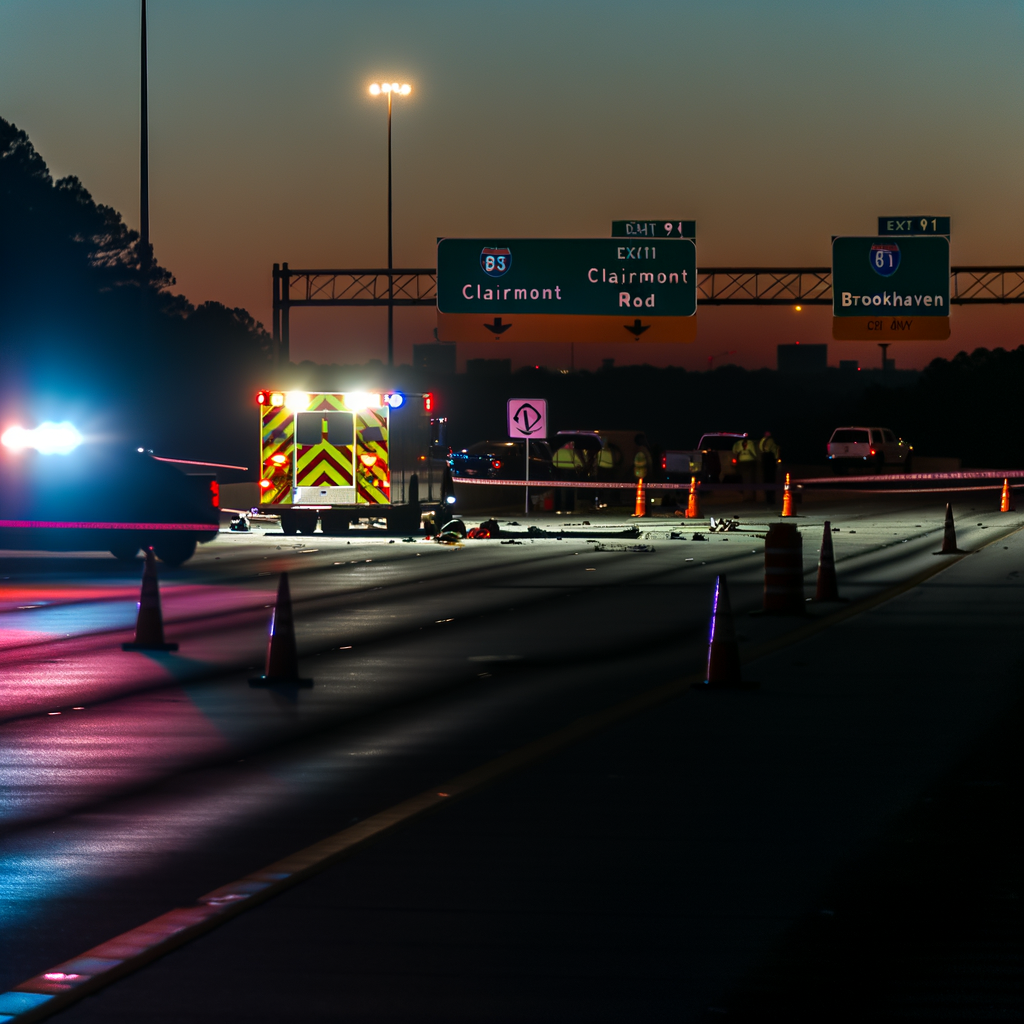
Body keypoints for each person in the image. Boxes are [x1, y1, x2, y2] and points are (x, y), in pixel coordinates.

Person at [732, 436, 759, 502]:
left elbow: (734, 451)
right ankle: (748, 497)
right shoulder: (740, 443)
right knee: (747, 479)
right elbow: (735, 450)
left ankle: (749, 497)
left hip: (746, 462)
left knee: (748, 479)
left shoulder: (747, 443)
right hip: (746, 462)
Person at [759, 430, 780, 506]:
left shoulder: (766, 440)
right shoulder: (767, 440)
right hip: (769, 459)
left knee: (767, 478)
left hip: (767, 459)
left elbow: (763, 448)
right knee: (770, 478)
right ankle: (770, 498)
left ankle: (769, 498)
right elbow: (766, 449)